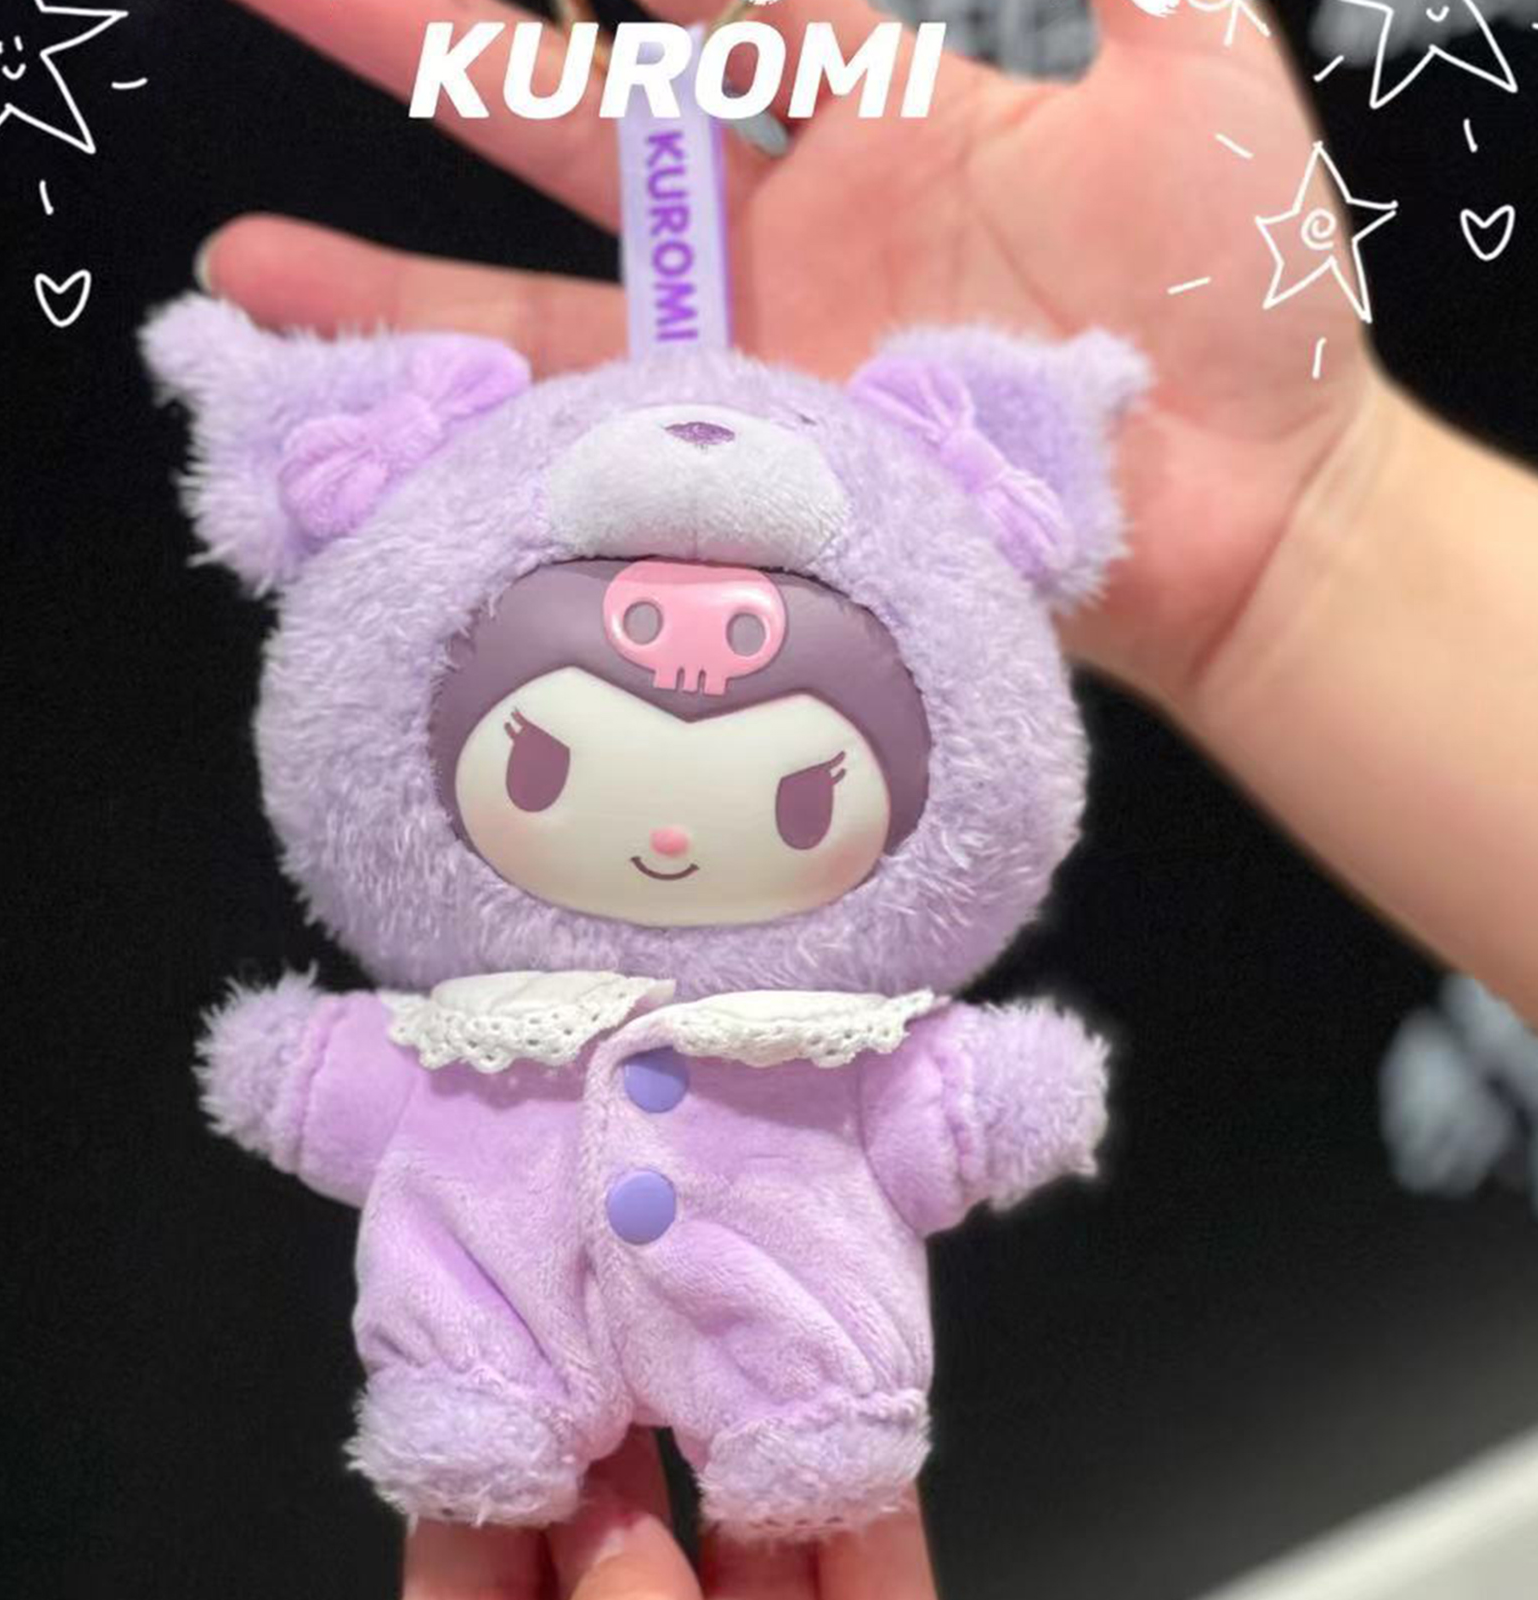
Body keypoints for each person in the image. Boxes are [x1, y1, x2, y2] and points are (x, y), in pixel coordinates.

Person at [190, 0, 1538, 1591]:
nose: (671, 830)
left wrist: (1321, 521)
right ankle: (480, 1394)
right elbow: (326, 1084)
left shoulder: (833, 1043)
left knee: (813, 1435)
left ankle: (802, 1416)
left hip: (812, 1354)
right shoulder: (476, 1028)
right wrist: (1319, 523)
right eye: (548, 762)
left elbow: (940, 1111)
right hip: (480, 1321)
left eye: (793, 787)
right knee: (476, 1400)